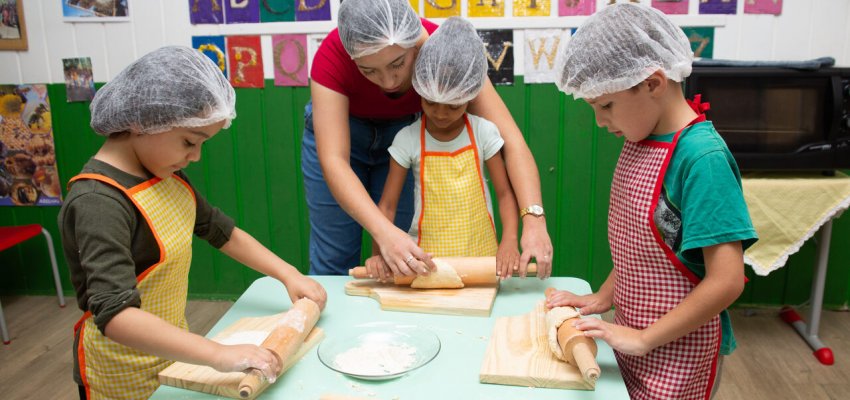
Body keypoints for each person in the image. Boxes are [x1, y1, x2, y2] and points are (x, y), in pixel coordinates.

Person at [57, 46, 328, 400]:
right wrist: (217, 354)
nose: (196, 156)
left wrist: (288, 274)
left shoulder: (167, 176)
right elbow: (117, 316)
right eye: (189, 141)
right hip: (120, 369)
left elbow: (222, 232)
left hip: (173, 351)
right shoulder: (99, 202)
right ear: (144, 119)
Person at [547, 4, 757, 399]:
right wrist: (602, 298)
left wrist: (645, 338)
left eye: (605, 106)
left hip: (678, 351)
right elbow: (642, 251)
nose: (600, 122)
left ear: (654, 83)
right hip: (633, 335)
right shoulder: (640, 140)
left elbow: (727, 281)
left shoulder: (701, 160)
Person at [305, 0, 553, 278]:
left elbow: (512, 142)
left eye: (397, 63)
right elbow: (333, 160)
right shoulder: (331, 55)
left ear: (415, 44)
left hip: (405, 133)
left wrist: (533, 219)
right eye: (368, 70)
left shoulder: (443, 52)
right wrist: (383, 233)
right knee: (333, 257)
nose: (388, 82)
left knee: (402, 259)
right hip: (343, 137)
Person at [363, 17, 519, 281]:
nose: (441, 114)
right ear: (420, 90)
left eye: (454, 105)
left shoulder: (484, 133)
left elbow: (505, 194)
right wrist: (380, 253)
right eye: (431, 102)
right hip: (427, 264)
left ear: (470, 94)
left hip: (482, 260)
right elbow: (387, 206)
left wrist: (510, 241)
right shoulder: (407, 139)